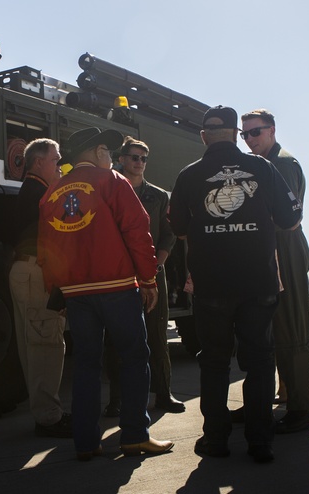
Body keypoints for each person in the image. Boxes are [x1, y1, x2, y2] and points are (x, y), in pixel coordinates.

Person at [169, 106, 302, 464]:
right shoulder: (263, 168)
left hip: (211, 288)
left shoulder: (188, 175)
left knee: (213, 364)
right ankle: (261, 442)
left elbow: (178, 228)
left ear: (203, 137)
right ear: (234, 134)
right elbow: (291, 220)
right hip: (258, 285)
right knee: (259, 363)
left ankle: (215, 440)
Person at [38, 127, 173, 461]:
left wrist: (59, 291)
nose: (111, 158)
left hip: (76, 292)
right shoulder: (112, 181)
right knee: (133, 359)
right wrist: (148, 279)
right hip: (116, 288)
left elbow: (46, 250)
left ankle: (86, 441)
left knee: (85, 365)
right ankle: (134, 436)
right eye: (108, 152)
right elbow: (138, 232)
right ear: (98, 152)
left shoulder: (51, 193)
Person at [241, 109, 309, 434]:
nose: (249, 140)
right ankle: (259, 403)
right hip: (270, 251)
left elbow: (289, 217)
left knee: (291, 332)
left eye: (255, 132)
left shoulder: (282, 163)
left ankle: (300, 410)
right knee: (266, 333)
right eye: (244, 135)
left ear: (272, 130)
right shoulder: (262, 164)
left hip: (284, 250)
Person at [105, 138, 186, 415]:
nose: (139, 163)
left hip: (152, 273)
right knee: (116, 340)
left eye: (144, 158)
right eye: (134, 157)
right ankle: (116, 400)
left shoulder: (159, 195)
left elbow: (169, 233)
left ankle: (164, 394)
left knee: (157, 336)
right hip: (119, 276)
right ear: (122, 159)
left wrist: (157, 264)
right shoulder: (110, 190)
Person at [9, 138, 71, 438]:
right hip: (37, 270)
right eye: (55, 160)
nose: (59, 166)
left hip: (25, 269)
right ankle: (49, 418)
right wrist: (59, 289)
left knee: (34, 346)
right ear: (38, 163)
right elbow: (53, 244)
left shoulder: (30, 191)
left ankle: (44, 412)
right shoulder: (42, 195)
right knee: (46, 344)